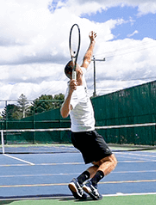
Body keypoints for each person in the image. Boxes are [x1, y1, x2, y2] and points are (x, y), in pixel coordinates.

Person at [60, 31, 117, 200]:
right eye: (76, 65)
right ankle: (92, 185)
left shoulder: (81, 75)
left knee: (99, 164)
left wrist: (92, 42)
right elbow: (64, 113)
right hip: (87, 133)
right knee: (111, 161)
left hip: (77, 136)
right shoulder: (74, 92)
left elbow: (87, 58)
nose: (80, 65)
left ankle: (78, 182)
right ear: (73, 72)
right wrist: (70, 93)